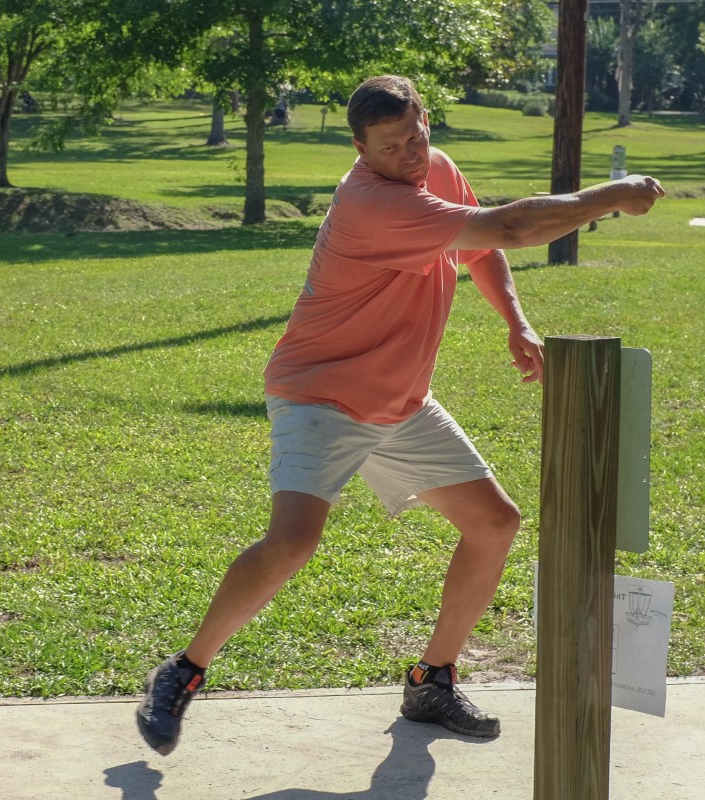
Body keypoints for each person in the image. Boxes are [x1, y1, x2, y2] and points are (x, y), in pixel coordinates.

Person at [136, 75, 664, 756]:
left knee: (494, 523)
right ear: (360, 149)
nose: (409, 155)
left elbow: (480, 247)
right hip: (321, 397)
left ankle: (431, 680)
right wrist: (611, 196)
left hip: (401, 403)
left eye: (415, 137)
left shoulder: (433, 167)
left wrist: (516, 322)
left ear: (425, 122)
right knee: (292, 542)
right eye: (390, 146)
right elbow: (511, 226)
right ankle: (183, 671)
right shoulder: (372, 203)